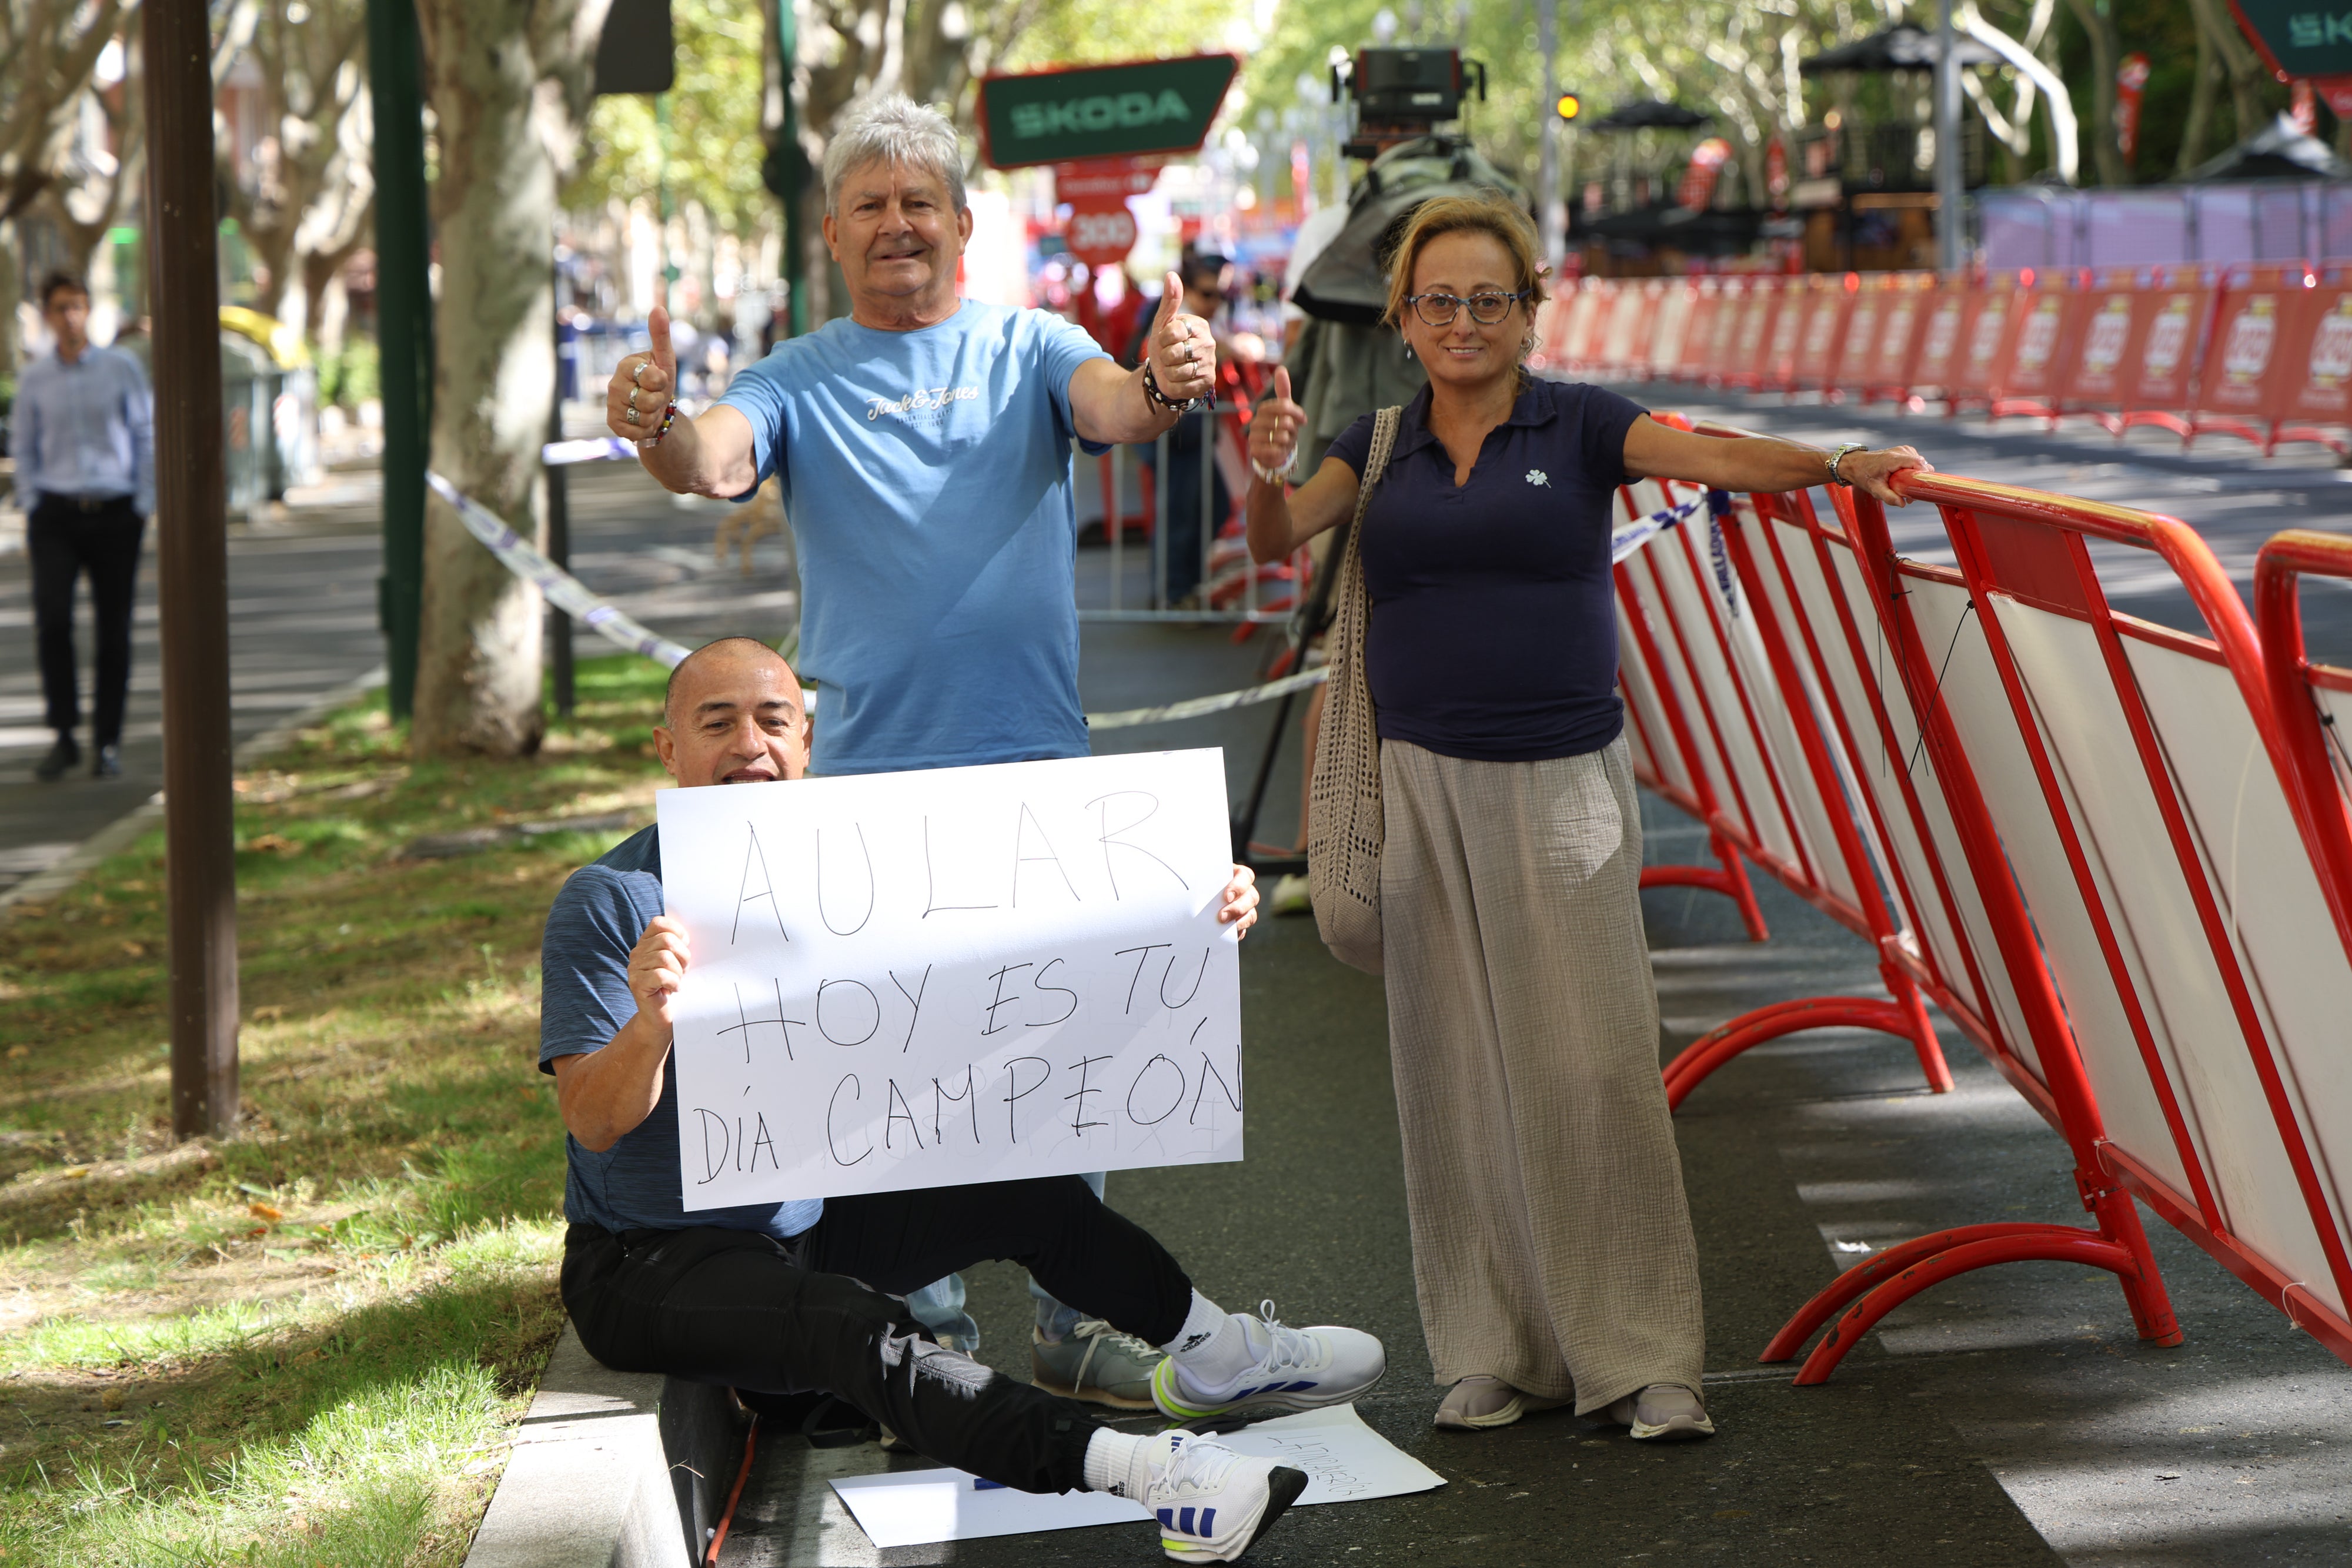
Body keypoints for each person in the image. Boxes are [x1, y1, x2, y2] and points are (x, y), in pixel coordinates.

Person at [1242, 193, 1932, 1440]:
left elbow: (1716, 457)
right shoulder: (1377, 439)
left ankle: (1640, 1359)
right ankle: (1490, 1348)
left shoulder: (1584, 421)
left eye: (1487, 298)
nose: (1463, 319)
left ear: (1526, 311)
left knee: (1594, 1067)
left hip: (1560, 788)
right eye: (1438, 299)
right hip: (1413, 784)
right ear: (1400, 318)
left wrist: (1838, 465)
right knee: (1451, 1075)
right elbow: (1284, 528)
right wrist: (1258, 466)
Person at [603, 94, 1224, 1409]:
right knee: (899, 1080)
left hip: (1036, 770)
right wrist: (656, 422)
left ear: (961, 224)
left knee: (1064, 1060)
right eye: (871, 204)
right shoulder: (796, 373)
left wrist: (1165, 376)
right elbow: (713, 461)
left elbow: (1115, 407)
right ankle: (924, 1325)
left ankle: (1076, 1321)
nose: (898, 223)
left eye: (919, 202)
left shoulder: (1032, 347)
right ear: (834, 233)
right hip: (871, 785)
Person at [546, 637, 1387, 1564]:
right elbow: (592, 1115)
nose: (750, 741)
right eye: (717, 723)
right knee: (854, 1325)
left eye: (773, 719)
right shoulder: (613, 898)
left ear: (808, 739)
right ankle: (1150, 1473)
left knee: (1032, 1193)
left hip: (795, 1214)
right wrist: (654, 1022)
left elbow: (1031, 939)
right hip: (649, 1258)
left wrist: (1188, 907)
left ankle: (1218, 1353)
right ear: (667, 749)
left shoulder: (846, 861)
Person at [14, 270, 155, 782]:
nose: (70, 317)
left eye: (77, 306)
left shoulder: (121, 367)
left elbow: (144, 431)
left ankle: (108, 740)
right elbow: (24, 446)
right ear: (47, 316)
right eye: (60, 308)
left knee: (113, 628)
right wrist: (31, 502)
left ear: (88, 310)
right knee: (53, 619)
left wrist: (142, 501)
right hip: (55, 513)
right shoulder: (35, 378)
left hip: (116, 512)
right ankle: (65, 734)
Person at [1123, 254, 1232, 610]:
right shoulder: (1174, 317)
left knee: (1209, 506)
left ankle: (1185, 589)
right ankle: (1174, 593)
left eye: (1223, 296)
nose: (1216, 303)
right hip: (1174, 432)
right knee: (1181, 514)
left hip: (1187, 431)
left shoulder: (1184, 315)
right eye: (1209, 293)